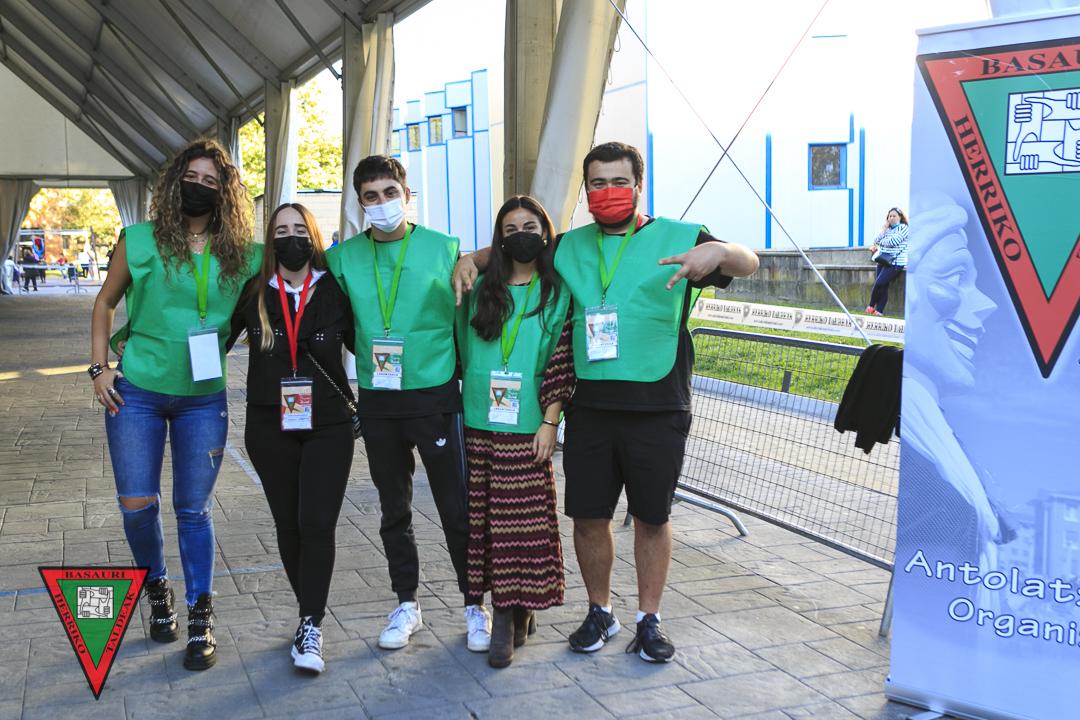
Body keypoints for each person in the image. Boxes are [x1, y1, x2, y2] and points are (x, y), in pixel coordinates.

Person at [454, 141, 759, 663]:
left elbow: (748, 263)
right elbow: (512, 248)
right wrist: (468, 259)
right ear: (586, 189)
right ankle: (601, 611)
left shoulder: (682, 237)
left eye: (619, 182)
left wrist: (723, 252)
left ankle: (649, 618)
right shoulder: (568, 245)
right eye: (597, 183)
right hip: (590, 407)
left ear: (639, 185)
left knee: (652, 517)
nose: (608, 192)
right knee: (588, 517)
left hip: (657, 403)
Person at [89, 138, 260, 671]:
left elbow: (309, 270)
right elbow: (105, 301)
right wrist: (98, 367)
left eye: (211, 181)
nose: (200, 187)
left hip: (202, 400)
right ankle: (157, 586)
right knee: (136, 504)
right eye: (192, 178)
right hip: (137, 391)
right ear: (173, 182)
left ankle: (200, 614)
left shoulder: (245, 254)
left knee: (193, 509)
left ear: (226, 192)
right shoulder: (138, 240)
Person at [325, 155, 490, 653]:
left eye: (389, 193)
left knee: (456, 507)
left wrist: (476, 258)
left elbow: (505, 261)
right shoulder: (342, 259)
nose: (382, 203)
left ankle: (474, 604)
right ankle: (407, 604)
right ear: (360, 203)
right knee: (393, 508)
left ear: (407, 195)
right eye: (371, 197)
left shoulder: (445, 248)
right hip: (378, 400)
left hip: (435, 395)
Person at [228, 203, 355, 675]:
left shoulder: (334, 291)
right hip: (268, 424)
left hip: (329, 424)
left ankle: (310, 622)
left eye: (300, 229)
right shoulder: (255, 292)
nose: (291, 238)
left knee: (317, 521)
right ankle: (309, 615)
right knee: (289, 523)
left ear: (314, 236)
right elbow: (212, 336)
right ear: (270, 240)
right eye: (281, 231)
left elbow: (368, 342)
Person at [456, 195, 573, 668]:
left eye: (530, 226)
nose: (520, 235)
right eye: (510, 229)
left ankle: (510, 612)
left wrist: (550, 421)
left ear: (545, 233)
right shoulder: (478, 287)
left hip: (528, 426)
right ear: (499, 239)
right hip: (479, 424)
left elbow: (562, 360)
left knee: (525, 525)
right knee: (488, 523)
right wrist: (468, 259)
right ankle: (511, 606)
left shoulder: (557, 292)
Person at [866, 207, 909, 316]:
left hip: (895, 262)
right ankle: (879, 311)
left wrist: (881, 242)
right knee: (883, 286)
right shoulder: (888, 229)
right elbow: (876, 240)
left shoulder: (904, 228)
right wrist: (883, 230)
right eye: (890, 216)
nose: (892, 218)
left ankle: (871, 306)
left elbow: (893, 242)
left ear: (900, 217)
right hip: (882, 260)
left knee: (879, 283)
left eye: (894, 216)